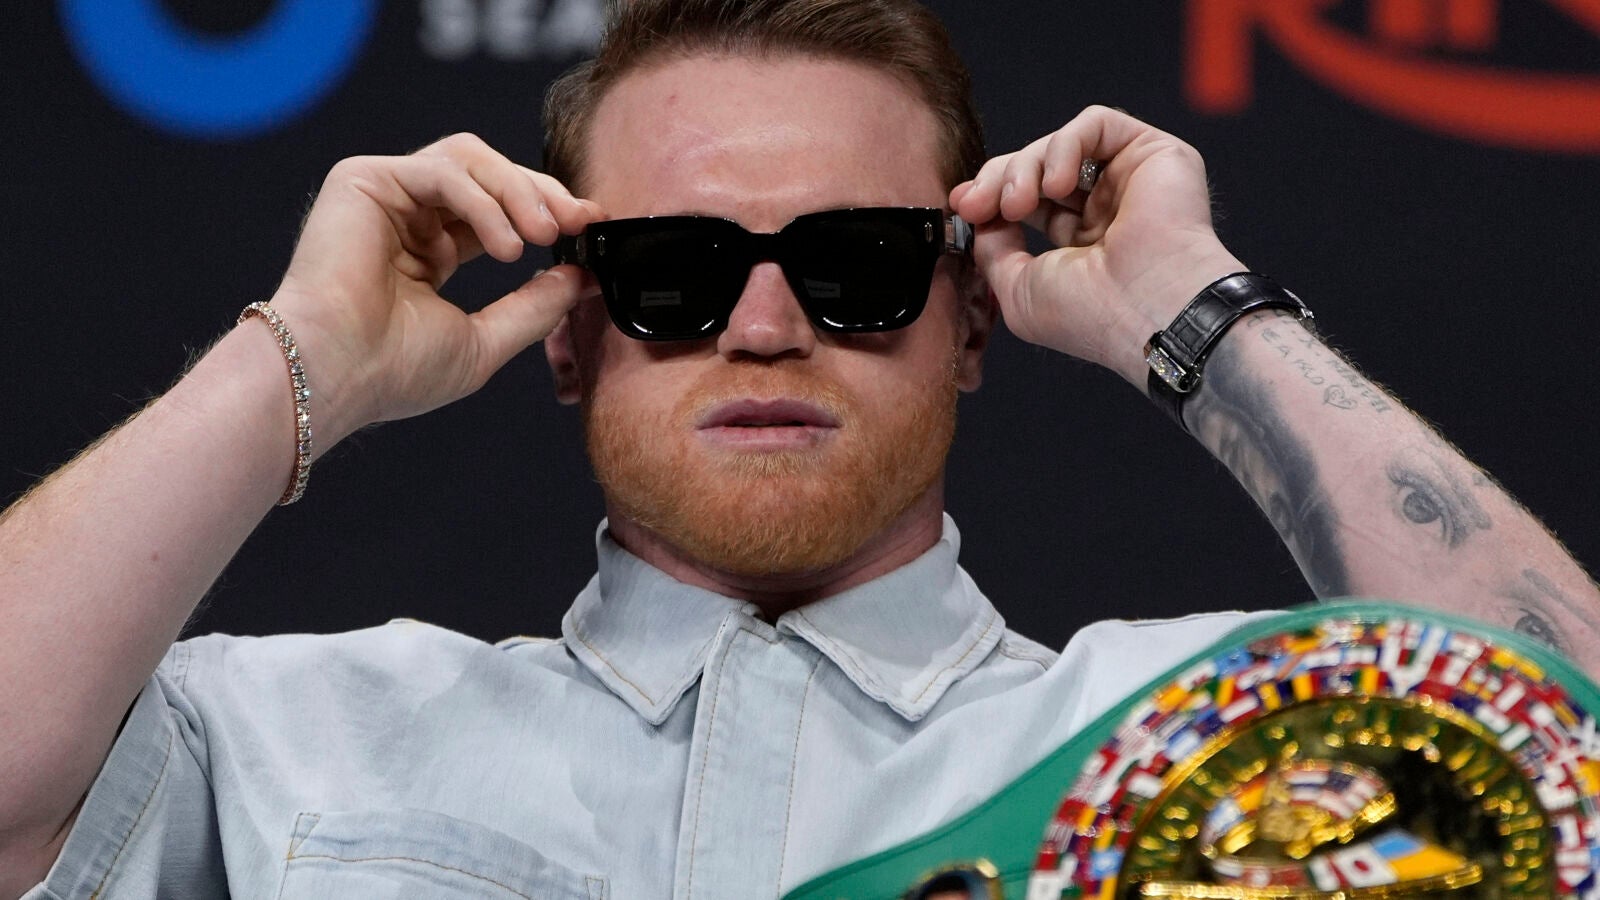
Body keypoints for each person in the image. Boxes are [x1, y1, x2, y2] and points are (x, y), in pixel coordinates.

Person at [2, 0, 1596, 897]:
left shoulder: (1183, 744)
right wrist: (302, 356)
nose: (764, 327)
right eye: (673, 272)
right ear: (568, 330)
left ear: (971, 320)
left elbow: (1568, 769)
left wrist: (1196, 311)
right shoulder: (279, 742)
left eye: (857, 265)